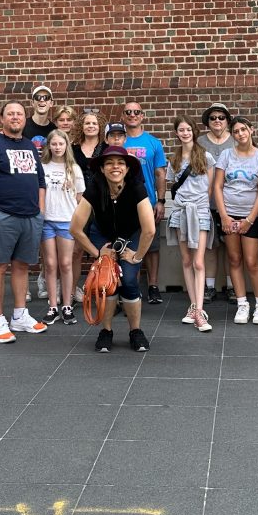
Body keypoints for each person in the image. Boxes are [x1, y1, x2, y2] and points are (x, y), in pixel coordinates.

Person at [0, 100, 48, 343]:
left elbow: (40, 181)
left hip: (30, 216)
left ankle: (19, 315)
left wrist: (40, 212)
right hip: (3, 216)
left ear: (25, 119)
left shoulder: (29, 145)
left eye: (19, 114)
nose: (15, 117)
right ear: (2, 119)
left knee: (22, 266)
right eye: (10, 114)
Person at [70, 146, 155, 352]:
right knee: (105, 283)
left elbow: (149, 230)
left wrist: (137, 256)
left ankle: (135, 331)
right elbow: (75, 228)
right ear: (102, 168)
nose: (115, 167)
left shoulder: (137, 188)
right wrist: (97, 252)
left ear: (127, 169)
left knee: (128, 281)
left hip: (132, 235)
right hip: (103, 235)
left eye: (120, 163)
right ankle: (105, 331)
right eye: (109, 163)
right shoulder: (94, 188)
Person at [213, 116, 258, 324]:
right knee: (234, 260)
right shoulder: (227, 155)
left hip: (251, 216)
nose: (240, 134)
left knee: (252, 262)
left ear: (251, 130)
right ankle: (242, 304)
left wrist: (249, 219)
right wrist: (224, 216)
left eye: (243, 130)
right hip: (229, 215)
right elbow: (217, 187)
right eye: (236, 131)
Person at [166, 116, 214, 332]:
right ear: (177, 133)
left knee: (199, 262)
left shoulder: (206, 156)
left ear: (194, 131)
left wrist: (200, 204)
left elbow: (211, 188)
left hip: (200, 211)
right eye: (181, 130)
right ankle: (193, 306)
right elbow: (172, 186)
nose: (185, 133)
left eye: (188, 129)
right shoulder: (174, 159)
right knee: (186, 260)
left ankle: (200, 311)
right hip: (180, 211)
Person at [123, 100, 167, 304]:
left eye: (136, 112)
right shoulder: (118, 142)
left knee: (152, 246)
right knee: (126, 245)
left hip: (148, 201)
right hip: (123, 203)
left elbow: (160, 173)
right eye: (128, 112)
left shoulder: (153, 143)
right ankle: (131, 286)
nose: (132, 115)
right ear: (123, 116)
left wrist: (161, 201)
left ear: (142, 116)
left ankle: (153, 286)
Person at [40, 130, 85, 325]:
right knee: (50, 264)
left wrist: (77, 221)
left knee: (66, 263)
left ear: (66, 145)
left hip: (66, 220)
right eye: (54, 144)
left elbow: (80, 198)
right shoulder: (42, 167)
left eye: (61, 144)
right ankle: (52, 306)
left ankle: (67, 305)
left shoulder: (74, 168)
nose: (57, 147)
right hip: (46, 221)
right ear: (49, 146)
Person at [199, 103, 235, 305]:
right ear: (207, 122)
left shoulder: (235, 141)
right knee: (210, 247)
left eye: (221, 117)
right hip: (207, 202)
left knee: (232, 249)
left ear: (227, 121)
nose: (217, 121)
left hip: (232, 204)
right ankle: (210, 287)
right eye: (213, 118)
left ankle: (231, 287)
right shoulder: (200, 142)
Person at [22, 85, 55, 300]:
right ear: (32, 102)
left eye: (46, 98)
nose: (42, 101)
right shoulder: (24, 126)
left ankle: (44, 279)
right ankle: (22, 285)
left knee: (46, 236)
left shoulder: (54, 129)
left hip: (49, 185)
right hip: (26, 184)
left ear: (51, 103)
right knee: (25, 236)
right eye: (38, 98)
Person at [71, 109, 107, 301]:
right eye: (87, 123)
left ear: (100, 127)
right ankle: (72, 290)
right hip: (79, 204)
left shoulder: (106, 148)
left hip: (102, 203)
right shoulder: (73, 149)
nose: (91, 126)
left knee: (102, 248)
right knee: (76, 250)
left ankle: (104, 288)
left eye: (94, 123)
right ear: (81, 127)